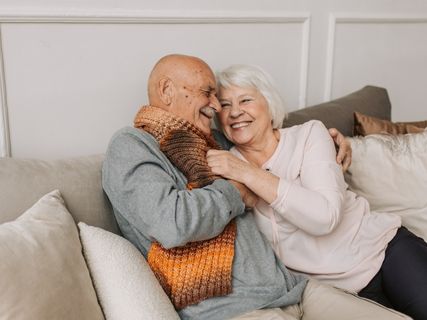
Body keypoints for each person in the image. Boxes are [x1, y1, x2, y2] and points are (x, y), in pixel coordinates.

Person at [102, 54, 410, 320]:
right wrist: (237, 191)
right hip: (240, 309)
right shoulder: (132, 146)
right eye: (209, 94)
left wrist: (336, 141)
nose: (216, 106)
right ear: (167, 90)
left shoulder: (213, 142)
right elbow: (171, 223)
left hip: (296, 289)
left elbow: (266, 137)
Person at [207, 63, 427, 320]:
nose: (235, 112)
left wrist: (249, 174)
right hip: (335, 293)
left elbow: (324, 217)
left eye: (245, 100)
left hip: (384, 251)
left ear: (269, 104)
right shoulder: (224, 164)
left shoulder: (309, 135)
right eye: (224, 105)